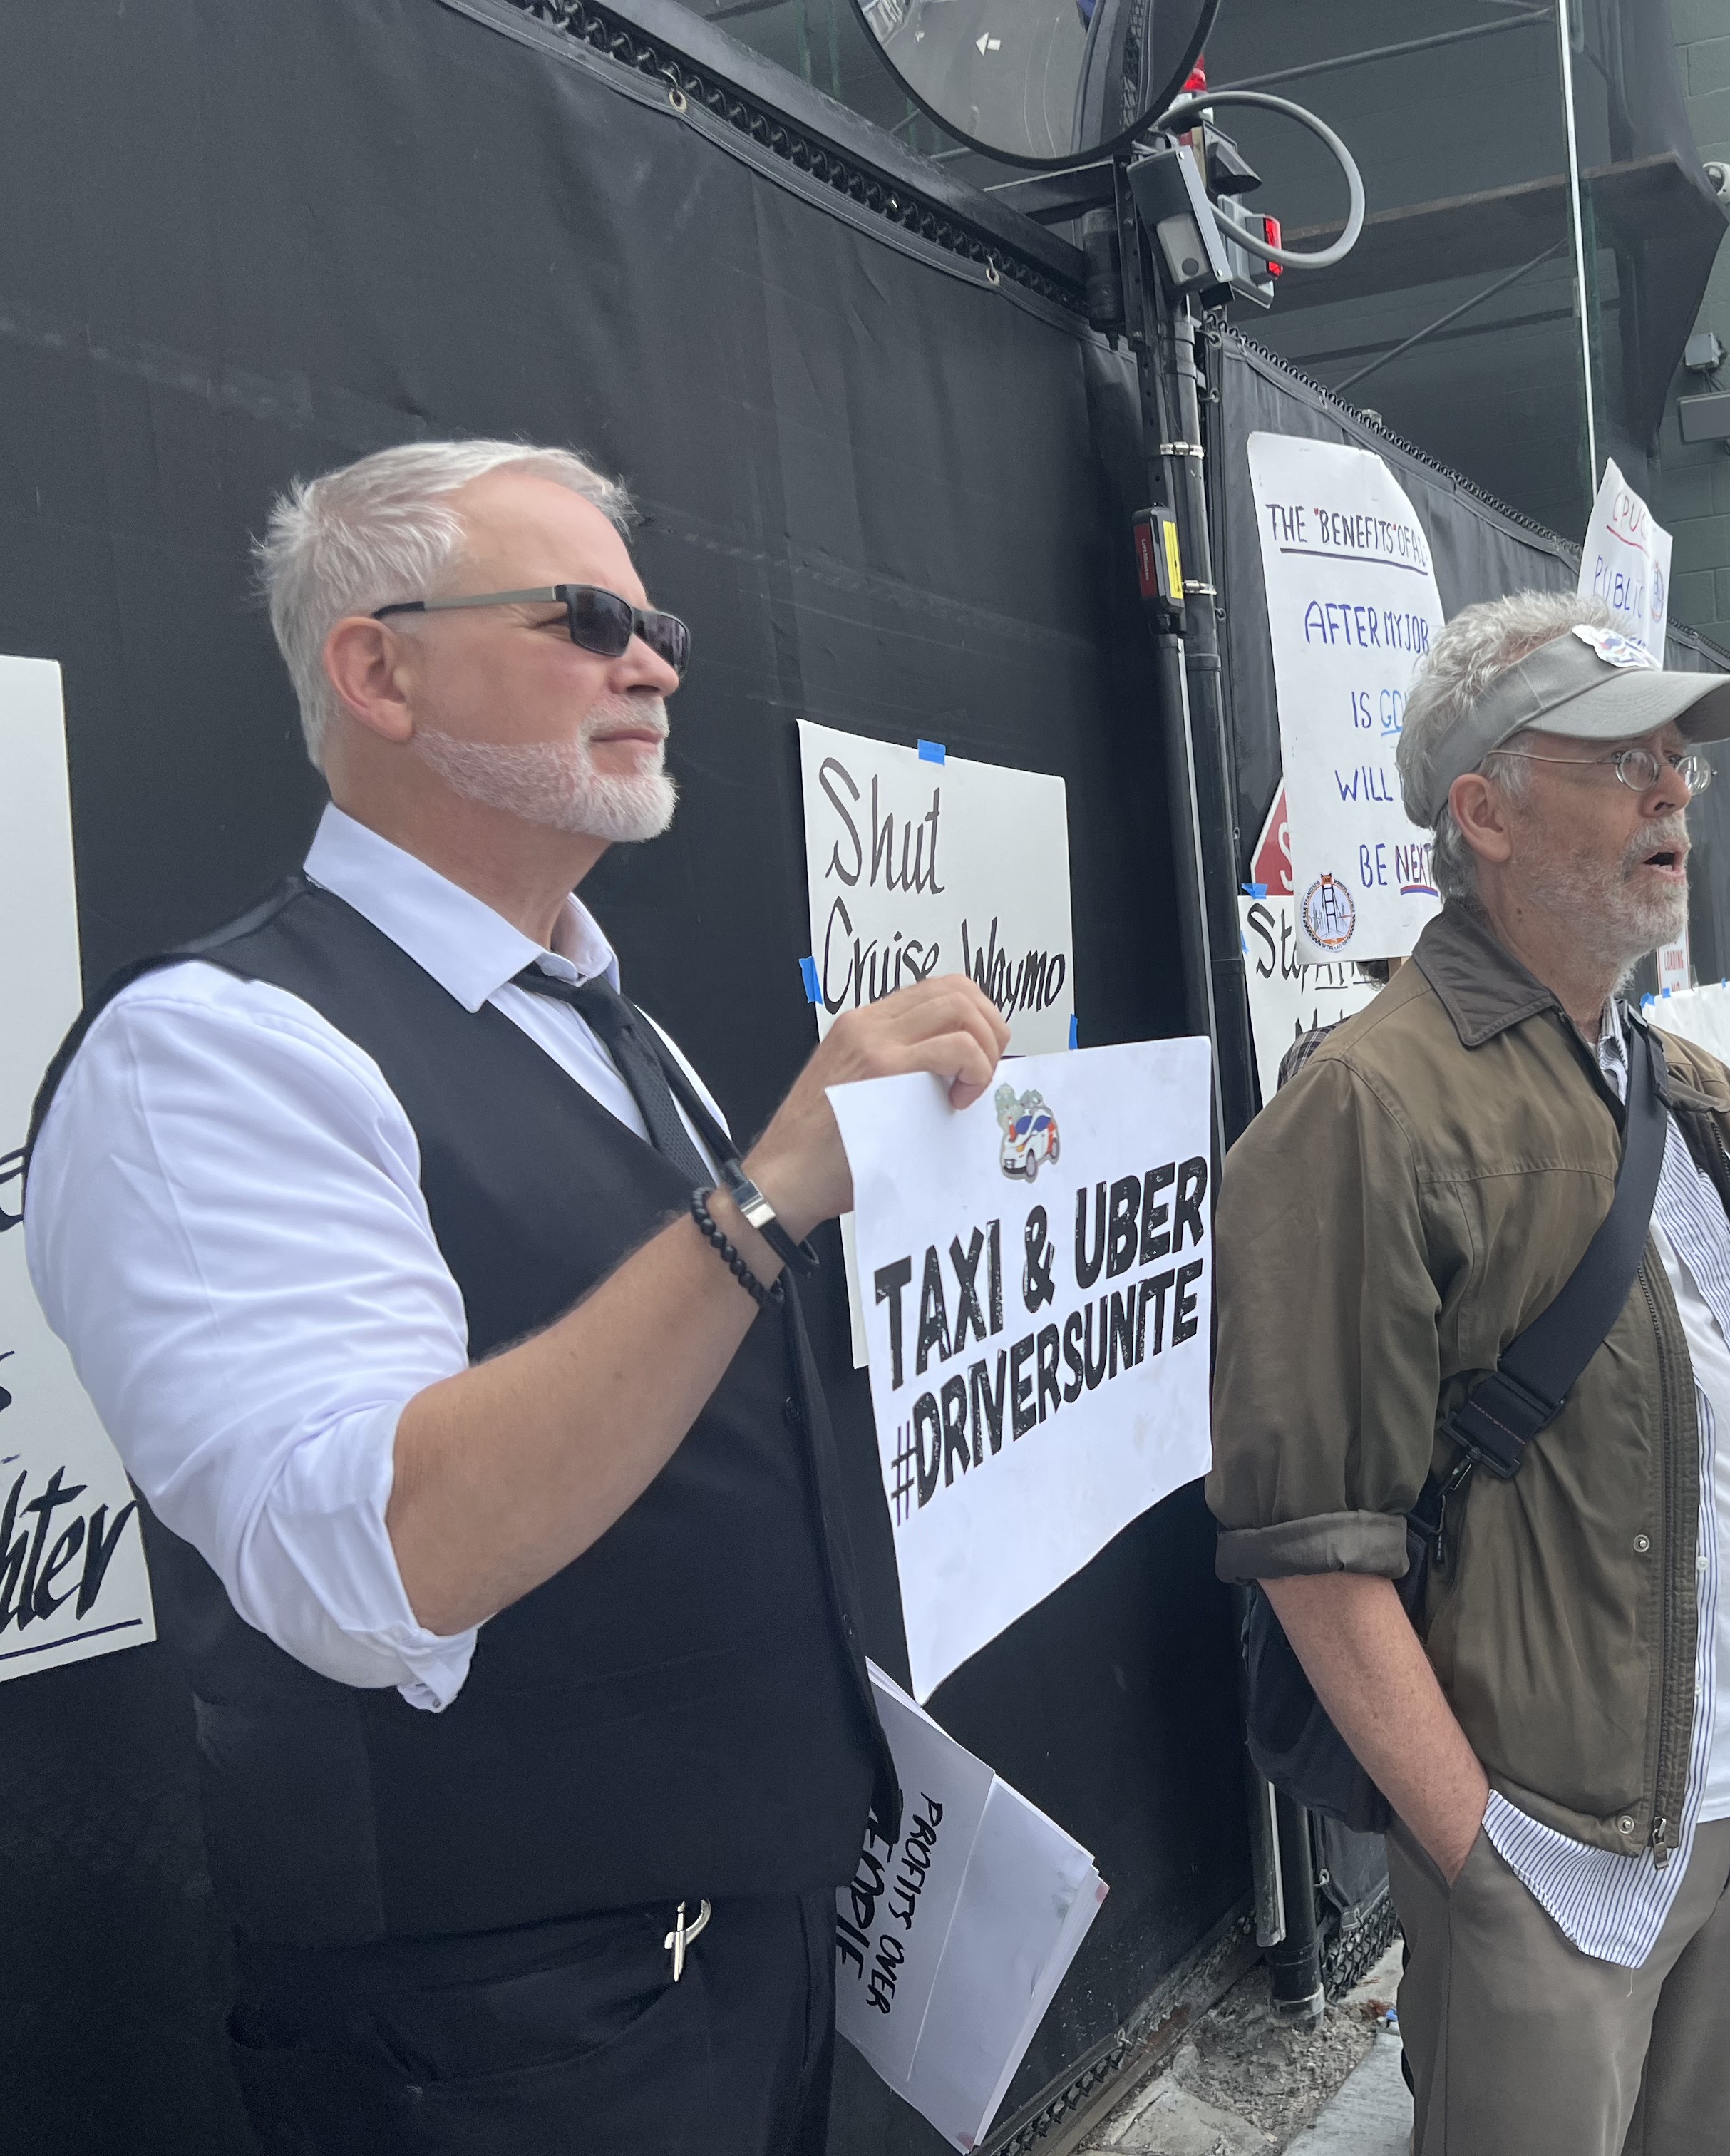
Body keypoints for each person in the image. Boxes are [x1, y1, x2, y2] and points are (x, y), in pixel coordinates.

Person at [26, 441, 1010, 2155]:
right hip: (496, 2054)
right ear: (378, 672)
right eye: (586, 621)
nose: (655, 666)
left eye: (660, 628)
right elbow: (371, 1569)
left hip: (746, 1964)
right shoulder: (212, 1052)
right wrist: (765, 1194)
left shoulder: (614, 1022)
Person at [1209, 592, 1730, 2156]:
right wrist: (1486, 1867)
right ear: (1484, 813)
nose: (1672, 790)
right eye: (1623, 759)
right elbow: (1312, 1548)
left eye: (1679, 760)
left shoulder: (1674, 1079)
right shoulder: (1366, 1106)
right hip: (1548, 1859)